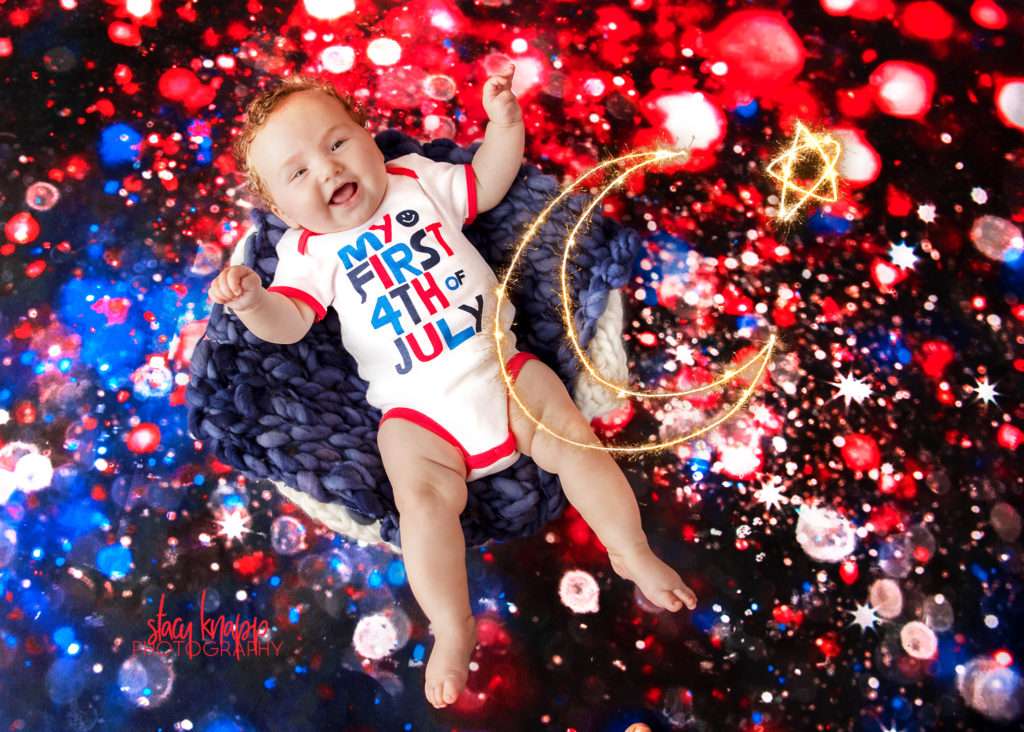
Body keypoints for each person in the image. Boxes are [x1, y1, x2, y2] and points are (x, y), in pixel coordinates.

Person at [210, 69, 697, 709]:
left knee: (573, 439)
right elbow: (288, 324)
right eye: (297, 174)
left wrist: (504, 127)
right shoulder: (308, 254)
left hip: (504, 370)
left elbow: (490, 183)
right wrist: (251, 305)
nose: (327, 171)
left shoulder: (416, 180)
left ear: (367, 137)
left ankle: (629, 549)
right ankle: (451, 624)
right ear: (276, 208)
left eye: (337, 144)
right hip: (418, 414)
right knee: (420, 501)